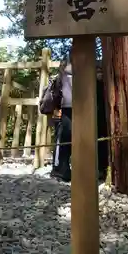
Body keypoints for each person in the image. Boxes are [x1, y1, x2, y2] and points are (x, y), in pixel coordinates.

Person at [51, 51, 73, 182]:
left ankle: (62, 169)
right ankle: (59, 169)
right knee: (63, 140)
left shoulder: (63, 76)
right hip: (64, 110)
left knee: (65, 140)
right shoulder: (61, 77)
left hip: (67, 109)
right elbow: (56, 95)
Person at [96, 65, 109, 181]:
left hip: (105, 117)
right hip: (98, 118)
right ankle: (101, 169)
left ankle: (104, 169)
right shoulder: (94, 85)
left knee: (104, 144)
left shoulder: (107, 83)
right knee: (100, 144)